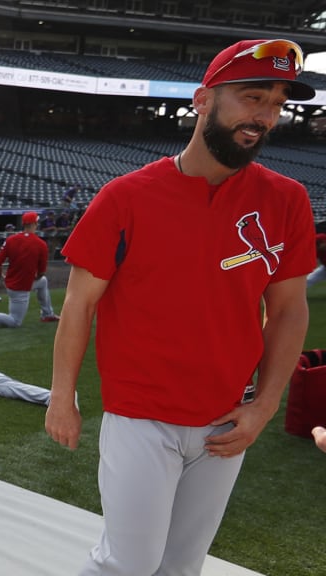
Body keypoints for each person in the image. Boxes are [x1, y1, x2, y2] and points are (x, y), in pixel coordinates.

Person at [45, 39, 317, 576]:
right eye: (252, 97)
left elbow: (289, 310)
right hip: (142, 414)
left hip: (227, 419)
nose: (264, 116)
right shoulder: (125, 197)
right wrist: (61, 396)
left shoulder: (287, 199)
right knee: (127, 564)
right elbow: (78, 305)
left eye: (277, 103)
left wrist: (264, 407)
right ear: (202, 101)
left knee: (182, 568)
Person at [0, 211, 60, 328]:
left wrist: (1, 276)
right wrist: (35, 277)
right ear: (34, 224)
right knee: (15, 321)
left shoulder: (11, 239)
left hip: (12, 282)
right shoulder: (41, 244)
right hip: (20, 288)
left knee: (43, 282)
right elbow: (41, 272)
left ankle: (47, 314)